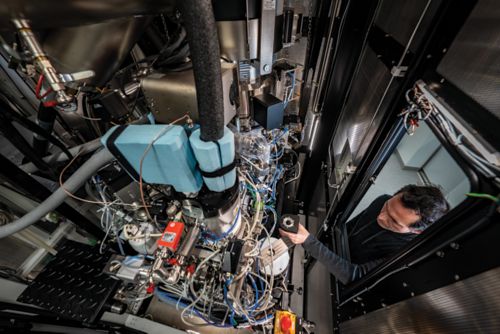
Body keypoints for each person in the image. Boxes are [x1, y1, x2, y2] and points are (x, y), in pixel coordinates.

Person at [279, 184, 450, 284]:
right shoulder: (382, 199)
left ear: (416, 230)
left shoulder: (405, 252)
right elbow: (344, 230)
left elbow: (354, 276)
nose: (381, 217)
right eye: (387, 207)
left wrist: (309, 241)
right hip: (327, 259)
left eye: (393, 221)